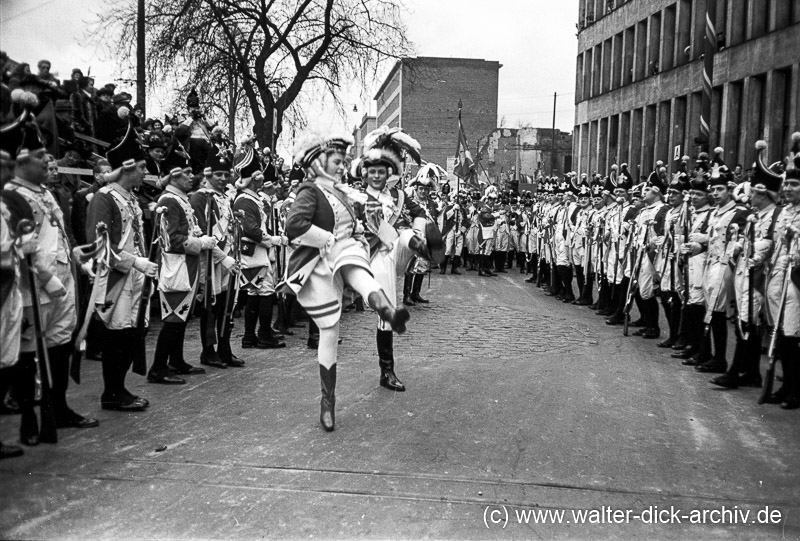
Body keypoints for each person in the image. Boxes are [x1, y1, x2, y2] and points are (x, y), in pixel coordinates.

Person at [282, 133, 411, 431]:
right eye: (337, 162)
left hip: (345, 250)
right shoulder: (309, 191)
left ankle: (386, 310)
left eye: (343, 162)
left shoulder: (342, 192)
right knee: (329, 331)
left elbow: (353, 224)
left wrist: (359, 235)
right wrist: (328, 238)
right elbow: (294, 226)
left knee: (359, 269)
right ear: (319, 162)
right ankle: (328, 402)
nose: (342, 167)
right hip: (320, 261)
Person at [2, 94, 99, 442]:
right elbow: (18, 250)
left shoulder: (45, 193)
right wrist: (45, 277)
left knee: (59, 345)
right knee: (29, 354)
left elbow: (55, 240)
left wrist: (77, 258)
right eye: (41, 155)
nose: (48, 161)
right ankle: (31, 415)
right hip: (32, 290)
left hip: (60, 284)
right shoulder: (13, 196)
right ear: (21, 159)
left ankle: (58, 406)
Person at [351, 126, 434, 395]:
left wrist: (418, 230)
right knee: (387, 312)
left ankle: (421, 247)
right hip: (372, 256)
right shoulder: (359, 197)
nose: (379, 175)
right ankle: (387, 370)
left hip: (395, 252)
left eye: (384, 170)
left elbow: (419, 211)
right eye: (374, 170)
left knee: (409, 233)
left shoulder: (398, 196)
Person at [83, 114, 156, 411]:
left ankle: (120, 388)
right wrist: (135, 263)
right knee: (117, 335)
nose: (146, 172)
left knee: (129, 334)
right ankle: (112, 392)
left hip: (134, 277)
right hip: (115, 277)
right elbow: (100, 247)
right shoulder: (104, 198)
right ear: (126, 168)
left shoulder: (130, 198)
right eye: (141, 167)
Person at [148, 149, 232, 384]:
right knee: (173, 319)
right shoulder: (169, 201)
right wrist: (200, 241)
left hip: (188, 267)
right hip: (177, 268)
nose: (191, 177)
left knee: (181, 318)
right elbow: (173, 240)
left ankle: (176, 360)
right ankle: (157, 367)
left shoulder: (181, 200)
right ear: (173, 176)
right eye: (185, 173)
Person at [712, 140, 782, 389]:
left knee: (747, 322)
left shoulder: (775, 215)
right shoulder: (755, 215)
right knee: (746, 322)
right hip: (744, 272)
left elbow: (771, 243)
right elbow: (742, 240)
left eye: (753, 191)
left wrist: (757, 251)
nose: (749, 195)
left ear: (763, 193)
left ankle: (734, 373)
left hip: (760, 277)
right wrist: (737, 244)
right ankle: (752, 372)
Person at [688, 148, 749, 374]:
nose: (715, 193)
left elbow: (740, 240)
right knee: (711, 311)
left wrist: (732, 251)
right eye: (713, 189)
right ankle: (713, 355)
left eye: (719, 189)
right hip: (710, 264)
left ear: (730, 190)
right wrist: (699, 241)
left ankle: (720, 358)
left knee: (717, 311)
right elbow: (712, 237)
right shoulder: (715, 213)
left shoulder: (739, 211)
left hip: (726, 266)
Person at [190, 152, 243, 368]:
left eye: (226, 174)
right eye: (218, 175)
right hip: (211, 260)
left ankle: (224, 348)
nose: (222, 179)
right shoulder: (201, 197)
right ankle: (208, 350)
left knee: (225, 306)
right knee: (210, 307)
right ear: (209, 175)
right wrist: (224, 258)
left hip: (227, 258)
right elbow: (202, 232)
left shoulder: (226, 199)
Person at [232, 145, 287, 350]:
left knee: (257, 293)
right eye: (259, 178)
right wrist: (273, 240)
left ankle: (251, 336)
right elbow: (252, 230)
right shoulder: (244, 200)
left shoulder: (253, 199)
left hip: (260, 253)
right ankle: (262, 334)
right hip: (253, 253)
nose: (262, 181)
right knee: (263, 292)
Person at [763, 133, 800, 408]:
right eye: (786, 184)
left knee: (793, 333)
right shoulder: (783, 211)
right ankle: (786, 384)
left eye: (794, 185)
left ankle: (795, 389)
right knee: (783, 334)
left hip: (796, 279)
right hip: (778, 274)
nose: (788, 189)